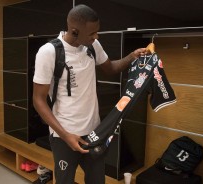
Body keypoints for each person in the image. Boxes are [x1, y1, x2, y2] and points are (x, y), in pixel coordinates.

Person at [33, 4, 148, 184]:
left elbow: (111, 68)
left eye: (97, 32)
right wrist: (66, 136)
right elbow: (38, 100)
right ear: (74, 31)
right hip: (65, 136)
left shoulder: (93, 46)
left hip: (95, 134)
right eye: (92, 33)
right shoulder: (48, 52)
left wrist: (132, 56)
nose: (96, 36)